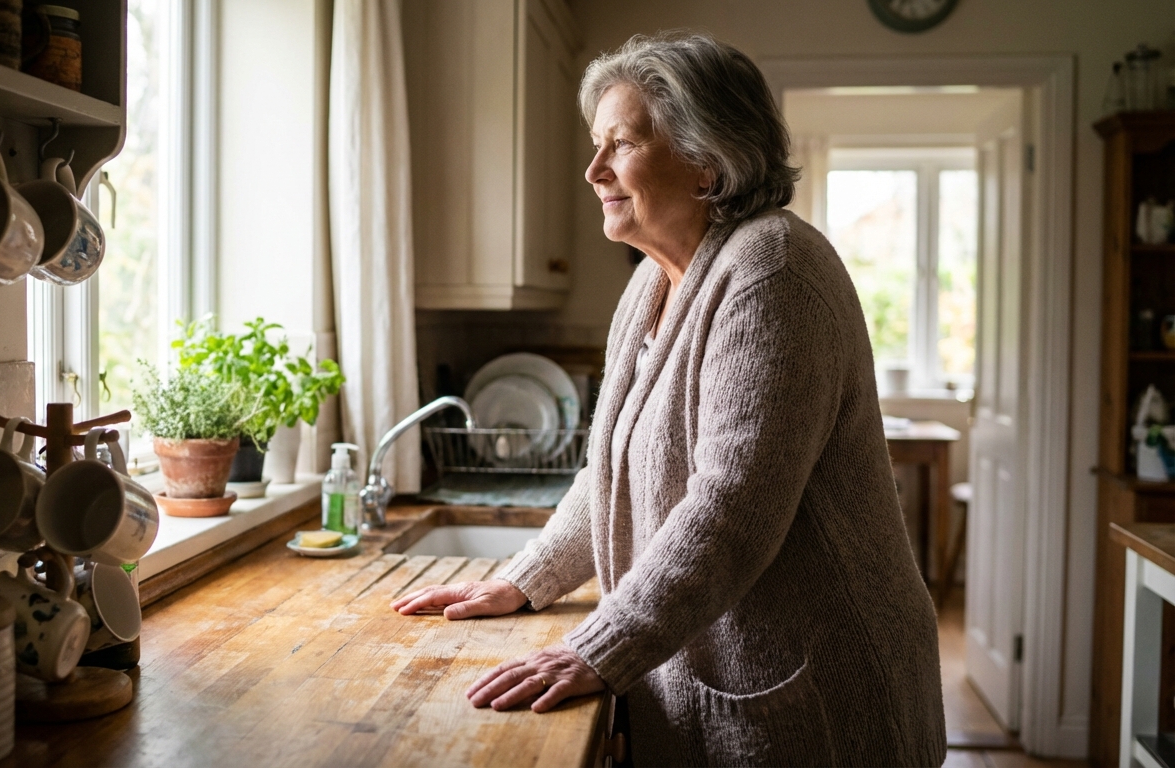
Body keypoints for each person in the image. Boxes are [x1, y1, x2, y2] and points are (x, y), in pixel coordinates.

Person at [392, 32, 945, 766]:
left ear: (708, 159)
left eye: (620, 143)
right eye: (597, 145)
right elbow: (609, 477)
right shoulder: (651, 282)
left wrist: (599, 647)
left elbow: (733, 507)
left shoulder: (772, 269)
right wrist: (527, 579)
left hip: (824, 706)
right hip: (730, 679)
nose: (593, 171)